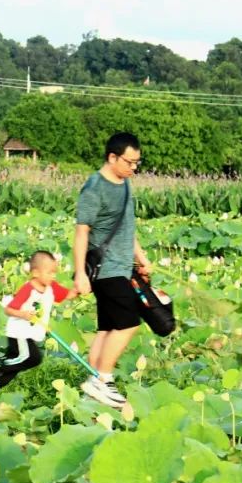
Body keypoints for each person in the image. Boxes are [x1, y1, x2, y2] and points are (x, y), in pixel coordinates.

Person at [73, 132, 153, 407]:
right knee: (129, 322)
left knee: (107, 329)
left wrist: (141, 258)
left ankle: (93, 384)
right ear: (112, 157)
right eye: (129, 162)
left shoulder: (125, 184)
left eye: (137, 163)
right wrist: (80, 274)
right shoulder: (94, 188)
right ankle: (102, 380)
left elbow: (126, 228)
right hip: (105, 270)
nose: (133, 168)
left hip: (123, 266)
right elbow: (82, 232)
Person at [0, 251, 76, 388]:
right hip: (19, 332)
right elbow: (8, 309)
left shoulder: (51, 287)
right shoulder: (28, 289)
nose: (53, 276)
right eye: (49, 272)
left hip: (30, 333)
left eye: (54, 272)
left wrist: (83, 287)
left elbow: (68, 295)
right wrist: (23, 314)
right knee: (32, 359)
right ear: (35, 273)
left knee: (15, 364)